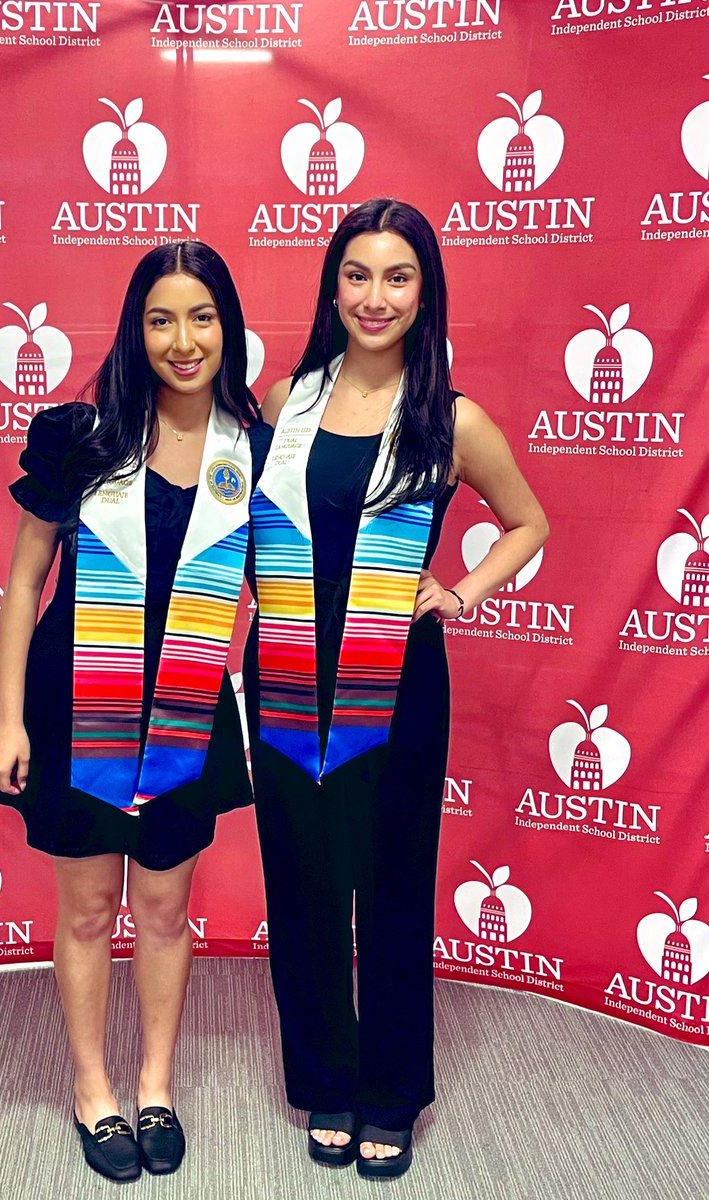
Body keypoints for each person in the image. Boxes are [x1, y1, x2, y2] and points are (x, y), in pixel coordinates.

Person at [251, 198, 549, 1179]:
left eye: (397, 277)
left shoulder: (449, 416)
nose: (374, 297)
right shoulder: (287, 399)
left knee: (387, 889)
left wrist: (456, 593)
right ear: (332, 284)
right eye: (357, 274)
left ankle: (389, 1093)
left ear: (425, 293)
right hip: (292, 667)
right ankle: (325, 1081)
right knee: (301, 882)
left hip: (400, 679)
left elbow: (527, 523)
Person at [0, 242, 270, 1182]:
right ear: (134, 328)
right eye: (160, 320)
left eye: (200, 317)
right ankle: (92, 1089)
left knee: (162, 907)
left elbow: (283, 585)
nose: (181, 341)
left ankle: (156, 1086)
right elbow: (27, 577)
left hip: (188, 706)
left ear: (226, 326)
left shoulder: (255, 446)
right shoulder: (82, 434)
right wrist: (7, 718)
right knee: (85, 912)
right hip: (75, 706)